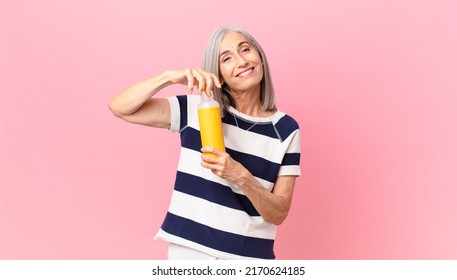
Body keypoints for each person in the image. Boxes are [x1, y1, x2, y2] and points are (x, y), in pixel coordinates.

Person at [109, 26, 301, 260]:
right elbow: (120, 108)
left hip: (250, 259)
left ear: (260, 58)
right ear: (218, 75)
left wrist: (240, 175)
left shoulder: (285, 129)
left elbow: (278, 213)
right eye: (227, 58)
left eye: (246, 50)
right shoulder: (197, 109)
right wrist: (169, 77)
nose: (241, 61)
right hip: (191, 253)